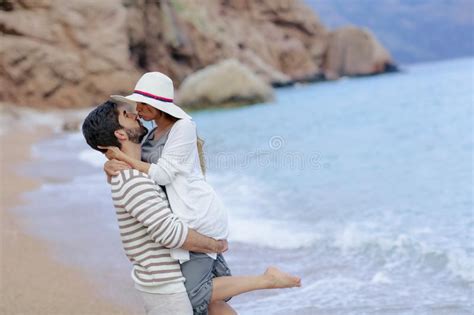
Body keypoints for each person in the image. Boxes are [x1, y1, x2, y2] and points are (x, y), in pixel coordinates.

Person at [94, 94, 300, 314]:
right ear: (120, 133)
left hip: (196, 227)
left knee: (205, 298)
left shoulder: (150, 150)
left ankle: (268, 279)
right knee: (211, 301)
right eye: (127, 114)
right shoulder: (133, 175)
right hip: (190, 243)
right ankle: (267, 279)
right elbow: (169, 231)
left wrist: (116, 164)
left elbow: (170, 132)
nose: (136, 113)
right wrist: (214, 244)